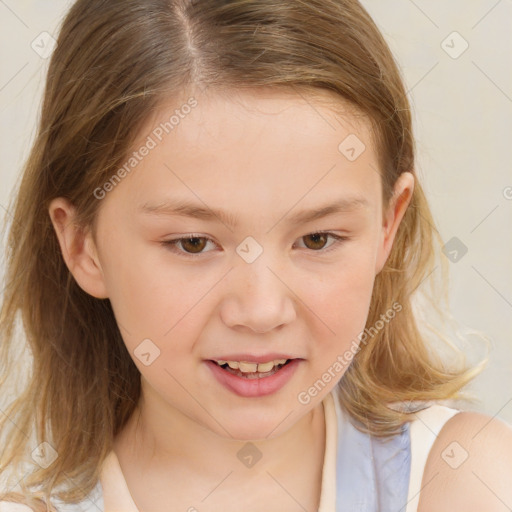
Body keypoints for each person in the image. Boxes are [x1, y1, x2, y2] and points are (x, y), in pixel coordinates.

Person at [1, 0, 511, 511]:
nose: (262, 310)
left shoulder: (469, 482)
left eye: (317, 239)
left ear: (387, 227)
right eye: (194, 244)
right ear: (82, 246)